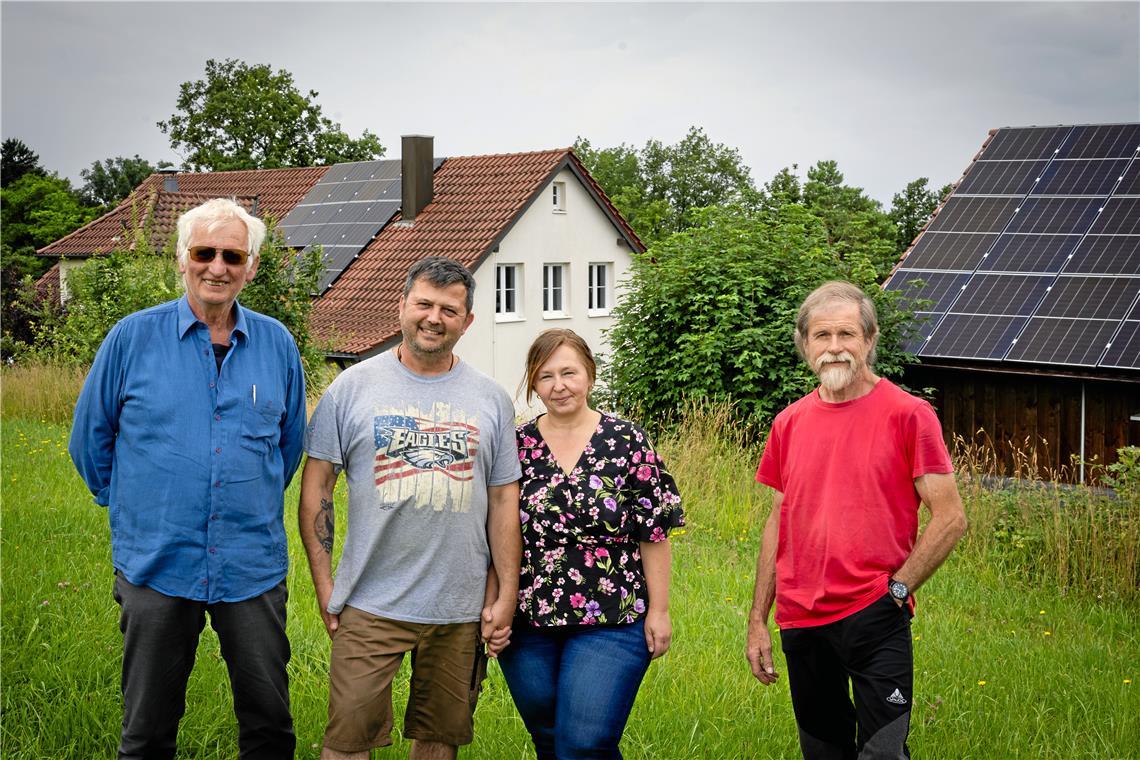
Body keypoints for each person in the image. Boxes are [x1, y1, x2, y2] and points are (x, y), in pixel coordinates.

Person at [69, 197, 306, 759]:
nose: (217, 267)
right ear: (182, 259)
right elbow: (90, 442)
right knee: (147, 730)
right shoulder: (132, 338)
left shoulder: (277, 344)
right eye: (205, 252)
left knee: (270, 725)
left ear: (250, 266)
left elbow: (289, 445)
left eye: (233, 255)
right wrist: (134, 506)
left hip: (250, 566)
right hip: (156, 564)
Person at [299, 256, 522, 760]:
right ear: (401, 306)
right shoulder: (350, 388)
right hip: (369, 601)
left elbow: (504, 499)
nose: (433, 317)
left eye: (449, 309)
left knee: (439, 739)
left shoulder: (491, 399)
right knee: (346, 740)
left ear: (467, 322)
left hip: (459, 606)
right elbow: (317, 489)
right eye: (423, 303)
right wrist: (325, 584)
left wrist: (506, 592)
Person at [745, 281, 967, 759]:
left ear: (869, 339)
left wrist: (898, 591)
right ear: (805, 345)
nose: (834, 347)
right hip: (801, 619)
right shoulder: (789, 422)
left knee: (882, 753)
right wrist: (758, 619)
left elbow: (950, 518)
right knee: (823, 751)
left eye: (847, 334)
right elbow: (779, 519)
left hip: (875, 615)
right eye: (822, 336)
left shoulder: (909, 415)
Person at [498, 328, 685, 760]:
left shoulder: (627, 440)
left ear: (591, 375)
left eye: (569, 373)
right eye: (545, 376)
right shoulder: (516, 446)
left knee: (584, 743)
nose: (558, 386)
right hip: (529, 619)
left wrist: (659, 610)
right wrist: (496, 602)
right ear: (532, 383)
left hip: (613, 616)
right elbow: (497, 529)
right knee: (549, 739)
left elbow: (653, 531)